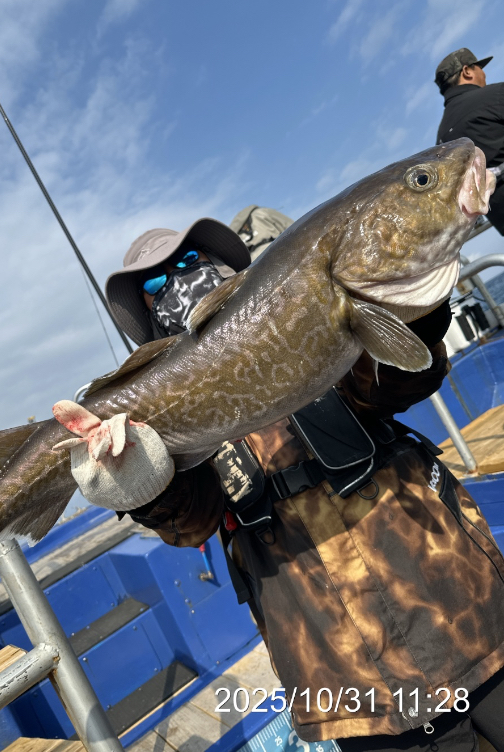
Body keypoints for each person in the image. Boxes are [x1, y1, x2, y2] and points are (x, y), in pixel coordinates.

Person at [56, 218, 504, 751]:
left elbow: (400, 380)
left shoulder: (305, 320)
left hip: (466, 610)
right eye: (156, 284)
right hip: (350, 682)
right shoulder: (160, 416)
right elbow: (190, 522)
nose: (179, 282)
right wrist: (136, 480)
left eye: (190, 262)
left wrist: (414, 304)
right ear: (150, 315)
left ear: (222, 266)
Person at [435, 48, 504, 234]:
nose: (484, 73)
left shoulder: (441, 140)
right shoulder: (496, 95)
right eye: (479, 67)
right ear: (466, 71)